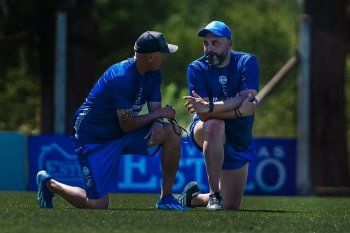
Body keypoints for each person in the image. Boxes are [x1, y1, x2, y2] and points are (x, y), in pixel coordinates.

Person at [36, 31, 188, 210]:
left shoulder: (153, 73)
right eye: (163, 53)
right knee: (98, 204)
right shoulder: (121, 77)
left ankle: (166, 198)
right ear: (151, 57)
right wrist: (158, 115)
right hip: (94, 137)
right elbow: (128, 124)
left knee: (171, 132)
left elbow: (155, 110)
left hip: (122, 130)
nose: (165, 57)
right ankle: (49, 184)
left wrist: (157, 121)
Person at [180, 21, 259, 210]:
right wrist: (239, 111)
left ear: (229, 44)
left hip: (239, 135)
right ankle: (214, 194)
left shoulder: (246, 62)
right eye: (206, 43)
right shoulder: (196, 68)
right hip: (206, 129)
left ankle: (194, 198)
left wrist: (210, 106)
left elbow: (246, 98)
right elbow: (205, 115)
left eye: (215, 43)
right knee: (215, 125)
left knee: (230, 206)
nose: (209, 48)